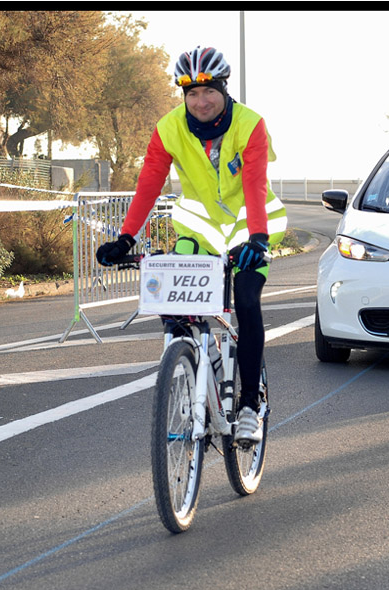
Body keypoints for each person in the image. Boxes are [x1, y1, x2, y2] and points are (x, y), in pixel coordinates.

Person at [96, 46, 287, 443]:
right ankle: (197, 357)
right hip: (200, 228)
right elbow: (149, 182)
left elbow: (254, 183)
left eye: (208, 92)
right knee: (172, 300)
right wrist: (125, 237)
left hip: (250, 223)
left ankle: (249, 405)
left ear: (223, 89)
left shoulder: (250, 125)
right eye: (191, 94)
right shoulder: (169, 128)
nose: (200, 102)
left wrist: (258, 238)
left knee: (248, 300)